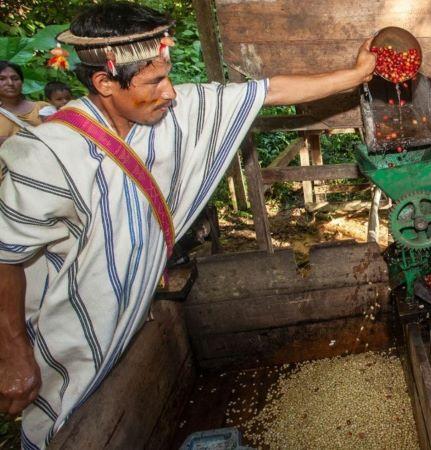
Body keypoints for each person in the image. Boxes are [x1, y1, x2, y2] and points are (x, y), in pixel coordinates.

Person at [0, 2, 375, 447]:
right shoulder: (45, 155)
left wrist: (355, 74)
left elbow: (268, 91)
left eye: (169, 75)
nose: (171, 91)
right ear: (104, 82)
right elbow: (5, 255)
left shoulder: (174, 114)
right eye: (154, 81)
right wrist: (12, 351)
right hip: (71, 344)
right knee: (60, 430)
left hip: (132, 320)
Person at [0, 62, 51, 145]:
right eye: (2, 79)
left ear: (22, 82)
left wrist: (8, 141)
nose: (10, 83)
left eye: (15, 79)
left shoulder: (43, 108)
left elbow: (58, 136)